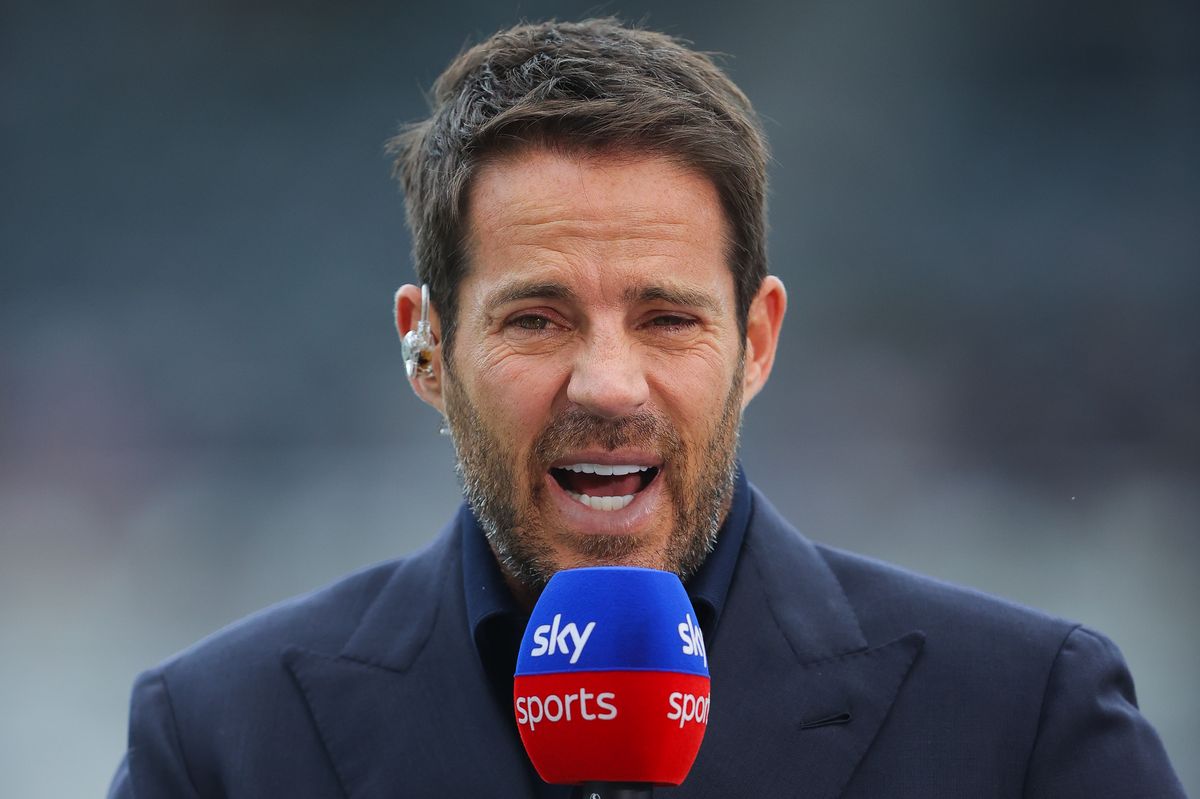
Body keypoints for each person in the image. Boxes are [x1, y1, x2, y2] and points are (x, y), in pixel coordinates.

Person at [108, 18, 1184, 798]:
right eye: (537, 318)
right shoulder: (221, 743)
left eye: (667, 317)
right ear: (427, 345)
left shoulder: (1023, 721)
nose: (609, 385)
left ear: (756, 341)